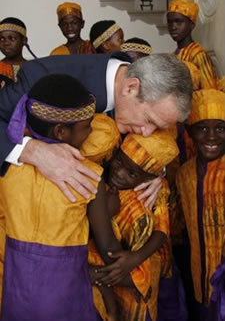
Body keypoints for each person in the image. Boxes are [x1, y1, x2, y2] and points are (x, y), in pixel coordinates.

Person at [0, 74, 128, 320]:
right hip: (64, 298)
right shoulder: (87, 174)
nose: (91, 132)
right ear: (61, 131)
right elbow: (109, 248)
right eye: (87, 126)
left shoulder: (8, 169)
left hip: (16, 295)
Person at [0, 52, 192, 210]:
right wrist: (30, 151)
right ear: (131, 87)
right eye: (149, 120)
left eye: (157, 127)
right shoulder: (42, 76)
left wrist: (154, 171)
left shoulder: (142, 80)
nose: (148, 133)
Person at [85, 123, 179, 321]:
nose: (119, 174)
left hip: (138, 273)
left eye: (132, 174)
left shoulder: (153, 192)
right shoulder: (103, 183)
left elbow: (162, 231)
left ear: (151, 177)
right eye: (119, 163)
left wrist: (135, 258)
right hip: (109, 276)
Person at [176, 89, 225, 321]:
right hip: (199, 275)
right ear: (189, 132)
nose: (212, 136)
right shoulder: (184, 173)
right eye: (203, 128)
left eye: (221, 128)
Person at [167, 0, 217, 89]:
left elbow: (209, 91)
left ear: (191, 25)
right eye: (170, 22)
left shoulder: (198, 54)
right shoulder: (173, 55)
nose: (173, 27)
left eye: (178, 22)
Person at [0, 17, 37, 81]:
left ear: (24, 40)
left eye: (12, 38)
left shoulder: (34, 69)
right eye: (2, 39)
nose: (6, 43)